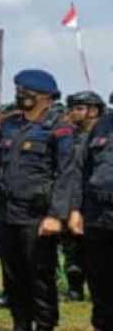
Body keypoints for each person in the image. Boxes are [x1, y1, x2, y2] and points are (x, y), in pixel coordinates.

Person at [0, 69, 76, 331]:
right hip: (8, 212)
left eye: (25, 91)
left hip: (38, 216)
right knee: (13, 274)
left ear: (44, 96)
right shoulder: (8, 126)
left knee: (40, 277)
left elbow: (67, 174)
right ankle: (20, 328)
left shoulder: (59, 129)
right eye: (18, 90)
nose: (20, 96)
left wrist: (56, 215)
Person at [68, 97, 113, 331]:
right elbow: (80, 172)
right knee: (103, 291)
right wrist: (75, 209)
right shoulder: (103, 126)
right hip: (99, 219)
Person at [61, 91, 104, 302]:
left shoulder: (103, 137)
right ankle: (74, 288)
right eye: (73, 108)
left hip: (98, 203)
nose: (74, 113)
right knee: (71, 247)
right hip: (70, 199)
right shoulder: (67, 137)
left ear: (94, 111)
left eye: (79, 108)